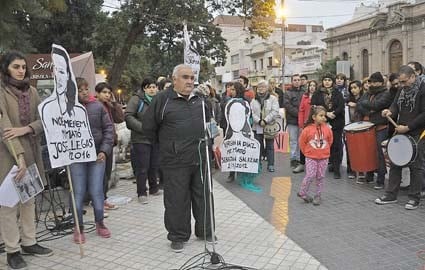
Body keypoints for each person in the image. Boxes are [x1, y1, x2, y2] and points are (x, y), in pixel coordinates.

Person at [142, 64, 215, 253]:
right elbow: (149, 128)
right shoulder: (162, 100)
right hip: (174, 161)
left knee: (203, 196)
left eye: (192, 77)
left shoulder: (200, 100)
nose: (190, 81)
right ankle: (178, 236)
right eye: (185, 77)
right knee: (177, 200)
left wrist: (210, 143)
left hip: (200, 157)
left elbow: (210, 124)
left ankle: (205, 231)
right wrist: (168, 147)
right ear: (174, 80)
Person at [0, 51, 53, 270]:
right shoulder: (1, 92)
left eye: (23, 66)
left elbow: (43, 119)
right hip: (7, 156)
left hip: (31, 153)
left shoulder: (31, 91)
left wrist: (27, 128)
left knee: (29, 200)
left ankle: (30, 241)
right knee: (8, 205)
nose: (21, 70)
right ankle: (13, 250)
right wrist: (19, 158)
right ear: (6, 68)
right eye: (16, 66)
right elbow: (4, 129)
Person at [375, 65, 425, 210]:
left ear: (413, 77)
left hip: (418, 131)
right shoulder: (402, 90)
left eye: (404, 82)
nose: (401, 85)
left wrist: (408, 127)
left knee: (416, 165)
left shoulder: (423, 89)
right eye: (400, 82)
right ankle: (391, 194)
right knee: (396, 161)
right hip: (401, 130)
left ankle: (414, 198)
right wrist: (389, 112)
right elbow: (395, 105)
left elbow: (423, 114)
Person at [71, 77, 114, 243]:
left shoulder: (98, 106)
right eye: (79, 90)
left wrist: (104, 150)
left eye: (85, 89)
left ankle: (100, 222)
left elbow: (108, 129)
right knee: (78, 191)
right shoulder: (66, 109)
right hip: (75, 156)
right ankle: (78, 227)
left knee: (97, 190)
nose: (83, 92)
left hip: (97, 155)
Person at [125, 78, 162, 204]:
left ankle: (154, 188)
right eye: (149, 87)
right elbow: (128, 116)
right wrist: (143, 128)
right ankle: (141, 192)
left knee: (154, 165)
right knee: (142, 167)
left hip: (155, 139)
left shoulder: (159, 100)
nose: (152, 89)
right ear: (144, 88)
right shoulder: (136, 99)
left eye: (154, 87)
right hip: (141, 139)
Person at [356, 72, 392, 189]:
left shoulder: (386, 93)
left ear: (381, 82)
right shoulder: (367, 93)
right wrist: (369, 111)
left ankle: (380, 180)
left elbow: (377, 105)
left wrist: (368, 105)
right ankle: (370, 175)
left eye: (376, 82)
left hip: (380, 127)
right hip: (367, 126)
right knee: (369, 152)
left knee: (380, 154)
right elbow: (359, 105)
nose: (373, 84)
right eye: (371, 82)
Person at [95, 82, 125, 210]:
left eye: (108, 93)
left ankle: (103, 198)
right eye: (104, 92)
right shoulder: (95, 106)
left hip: (109, 143)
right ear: (97, 93)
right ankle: (99, 200)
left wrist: (114, 104)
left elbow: (120, 118)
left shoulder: (108, 106)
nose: (107, 95)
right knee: (101, 174)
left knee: (106, 173)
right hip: (100, 144)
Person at [297, 105, 333, 206]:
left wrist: (324, 151)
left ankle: (318, 195)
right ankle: (303, 192)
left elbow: (330, 141)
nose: (323, 118)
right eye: (321, 115)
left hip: (323, 157)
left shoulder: (327, 129)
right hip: (311, 157)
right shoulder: (307, 130)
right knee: (310, 175)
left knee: (320, 176)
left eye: (324, 116)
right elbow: (302, 142)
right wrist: (307, 153)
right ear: (314, 117)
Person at [311, 73, 345, 179]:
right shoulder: (317, 93)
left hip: (336, 122)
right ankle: (319, 168)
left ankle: (336, 169)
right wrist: (326, 114)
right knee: (322, 145)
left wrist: (333, 113)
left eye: (329, 80)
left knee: (336, 145)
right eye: (325, 80)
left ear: (332, 82)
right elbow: (314, 105)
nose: (327, 82)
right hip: (323, 122)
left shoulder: (337, 93)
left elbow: (341, 105)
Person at [251, 80, 280, 172]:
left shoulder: (273, 98)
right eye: (259, 87)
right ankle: (258, 164)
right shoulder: (253, 100)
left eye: (263, 86)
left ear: (267, 88)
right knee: (258, 145)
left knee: (270, 146)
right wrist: (259, 121)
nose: (261, 88)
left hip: (269, 125)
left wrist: (265, 120)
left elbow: (275, 111)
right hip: (257, 125)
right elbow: (251, 112)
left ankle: (270, 164)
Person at [294, 80, 318, 173]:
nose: (312, 87)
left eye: (314, 85)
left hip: (316, 124)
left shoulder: (319, 96)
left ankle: (315, 165)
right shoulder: (305, 96)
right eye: (310, 85)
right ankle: (302, 164)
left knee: (315, 144)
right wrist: (301, 123)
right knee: (303, 144)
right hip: (305, 124)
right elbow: (301, 110)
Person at [283, 74, 304, 169]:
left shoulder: (304, 92)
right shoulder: (287, 93)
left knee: (301, 141)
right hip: (293, 120)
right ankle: (293, 159)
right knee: (293, 141)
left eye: (298, 80)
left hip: (303, 122)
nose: (297, 81)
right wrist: (299, 114)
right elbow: (288, 106)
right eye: (295, 80)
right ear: (292, 81)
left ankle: (300, 159)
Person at [345, 80, 364, 179]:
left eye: (355, 87)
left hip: (361, 127)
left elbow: (366, 109)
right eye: (351, 88)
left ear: (360, 88)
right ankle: (351, 169)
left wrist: (356, 105)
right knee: (350, 149)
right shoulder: (348, 100)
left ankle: (361, 170)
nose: (353, 90)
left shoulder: (364, 98)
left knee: (361, 150)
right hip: (350, 127)